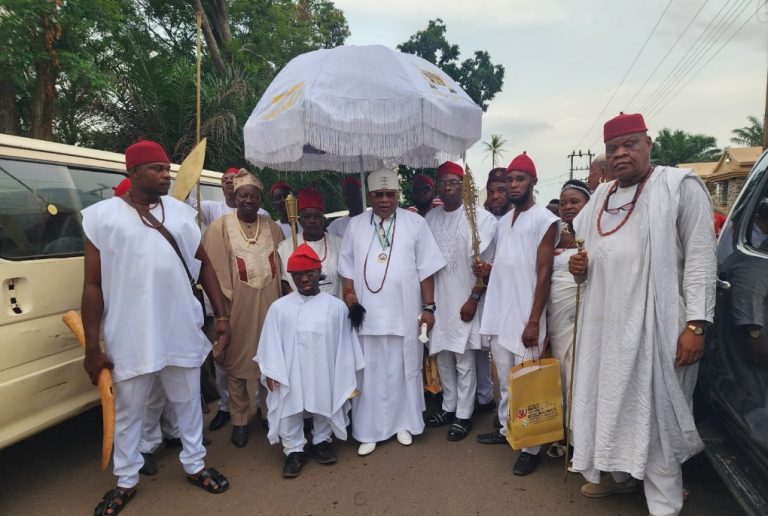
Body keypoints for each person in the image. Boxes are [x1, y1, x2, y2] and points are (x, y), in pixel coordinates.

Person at [568, 112, 716, 516]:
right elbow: (589, 253)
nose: (621, 154)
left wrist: (697, 324)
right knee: (610, 404)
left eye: (630, 144)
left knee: (655, 416)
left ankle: (665, 505)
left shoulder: (679, 186)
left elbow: (702, 259)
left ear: (648, 143)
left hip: (657, 327)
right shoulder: (600, 196)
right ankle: (622, 477)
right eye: (613, 148)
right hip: (604, 328)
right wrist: (579, 268)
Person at [82, 139, 231, 516]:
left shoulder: (181, 214)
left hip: (179, 327)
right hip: (131, 335)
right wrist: (92, 348)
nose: (167, 175)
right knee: (130, 411)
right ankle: (126, 480)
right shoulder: (101, 217)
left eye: (168, 168)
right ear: (133, 172)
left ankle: (195, 465)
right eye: (158, 169)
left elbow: (204, 265)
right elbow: (92, 285)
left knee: (188, 404)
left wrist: (222, 316)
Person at [339, 167, 446, 456]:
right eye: (378, 194)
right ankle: (368, 430)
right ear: (370, 196)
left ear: (397, 195)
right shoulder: (356, 225)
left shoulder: (415, 223)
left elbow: (426, 269)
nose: (384, 200)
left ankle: (404, 423)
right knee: (369, 372)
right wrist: (349, 294)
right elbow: (347, 267)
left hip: (405, 311)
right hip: (367, 315)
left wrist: (428, 308)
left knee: (404, 368)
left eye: (390, 194)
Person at [476, 151, 559, 477]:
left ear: (533, 182)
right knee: (506, 382)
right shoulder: (504, 221)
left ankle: (531, 448)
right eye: (509, 179)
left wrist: (534, 320)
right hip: (501, 313)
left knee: (528, 384)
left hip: (526, 316)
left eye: (519, 179)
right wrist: (489, 269)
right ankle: (507, 429)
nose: (513, 185)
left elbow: (543, 272)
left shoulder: (544, 219)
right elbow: (509, 263)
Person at [256, 244, 365, 478]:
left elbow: (345, 346)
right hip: (290, 371)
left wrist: (343, 372)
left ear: (319, 272)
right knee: (289, 404)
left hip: (324, 369)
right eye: (297, 275)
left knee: (324, 398)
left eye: (309, 273)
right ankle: (293, 450)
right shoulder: (279, 308)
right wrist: (272, 371)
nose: (304, 279)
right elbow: (270, 343)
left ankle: (321, 441)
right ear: (291, 276)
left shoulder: (336, 307)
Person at [203, 170, 284, 448]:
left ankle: (267, 411)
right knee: (237, 366)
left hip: (271, 307)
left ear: (260, 199)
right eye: (243, 196)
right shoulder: (219, 228)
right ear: (234, 198)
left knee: (269, 361)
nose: (249, 200)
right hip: (236, 308)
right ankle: (239, 420)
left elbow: (282, 268)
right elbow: (214, 273)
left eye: (254, 196)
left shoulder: (272, 228)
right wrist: (222, 313)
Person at [424, 161, 496, 441]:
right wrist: (427, 305)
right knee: (442, 355)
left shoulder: (481, 219)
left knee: (464, 359)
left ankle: (464, 415)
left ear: (463, 186)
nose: (448, 188)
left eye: (454, 182)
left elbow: (488, 265)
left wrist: (474, 298)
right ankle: (449, 406)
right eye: (443, 183)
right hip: (437, 300)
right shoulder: (430, 218)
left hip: (465, 299)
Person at [544, 179, 590, 458]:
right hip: (556, 315)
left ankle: (581, 438)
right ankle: (561, 433)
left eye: (575, 202)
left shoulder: (596, 234)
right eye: (564, 203)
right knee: (559, 371)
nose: (568, 207)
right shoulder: (555, 235)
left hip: (584, 313)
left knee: (579, 372)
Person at [277, 188, 342, 298]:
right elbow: (284, 283)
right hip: (301, 306)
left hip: (334, 305)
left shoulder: (339, 244)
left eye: (316, 216)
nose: (312, 220)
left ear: (323, 219)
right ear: (300, 220)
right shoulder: (286, 247)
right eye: (307, 217)